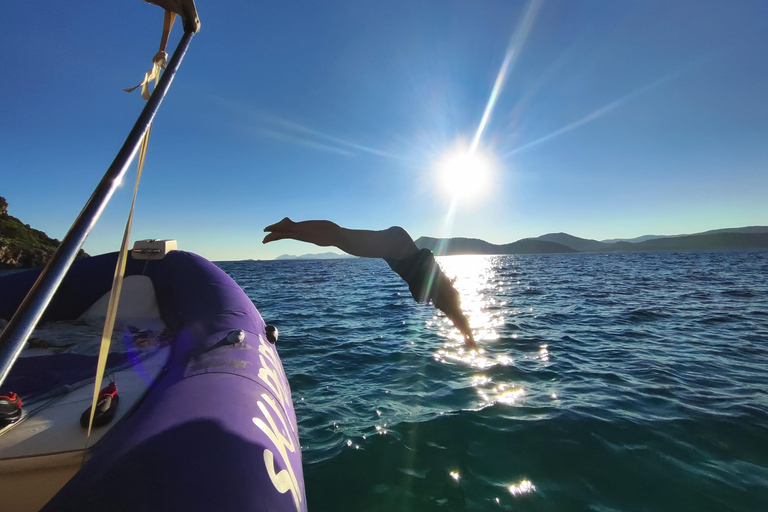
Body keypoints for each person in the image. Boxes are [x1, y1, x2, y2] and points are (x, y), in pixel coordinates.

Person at [263, 218, 476, 349]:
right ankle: (290, 227)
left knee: (341, 237)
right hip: (397, 248)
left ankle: (290, 230)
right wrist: (469, 338)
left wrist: (467, 335)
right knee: (340, 236)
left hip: (397, 245)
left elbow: (456, 314)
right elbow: (457, 315)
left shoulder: (442, 291)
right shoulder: (447, 299)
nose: (439, 309)